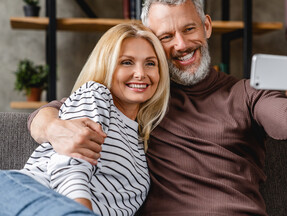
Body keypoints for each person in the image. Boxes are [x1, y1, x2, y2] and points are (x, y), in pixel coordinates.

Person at [27, 0, 287, 216]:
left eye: (189, 29)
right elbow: (54, 112)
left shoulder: (245, 93)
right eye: (165, 36)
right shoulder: (140, 97)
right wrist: (55, 129)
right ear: (151, 41)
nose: (180, 45)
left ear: (206, 27)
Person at [0, 22, 170, 215]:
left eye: (150, 63)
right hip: (26, 195)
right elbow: (69, 170)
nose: (140, 74)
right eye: (126, 62)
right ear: (106, 66)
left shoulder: (141, 141)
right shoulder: (96, 95)